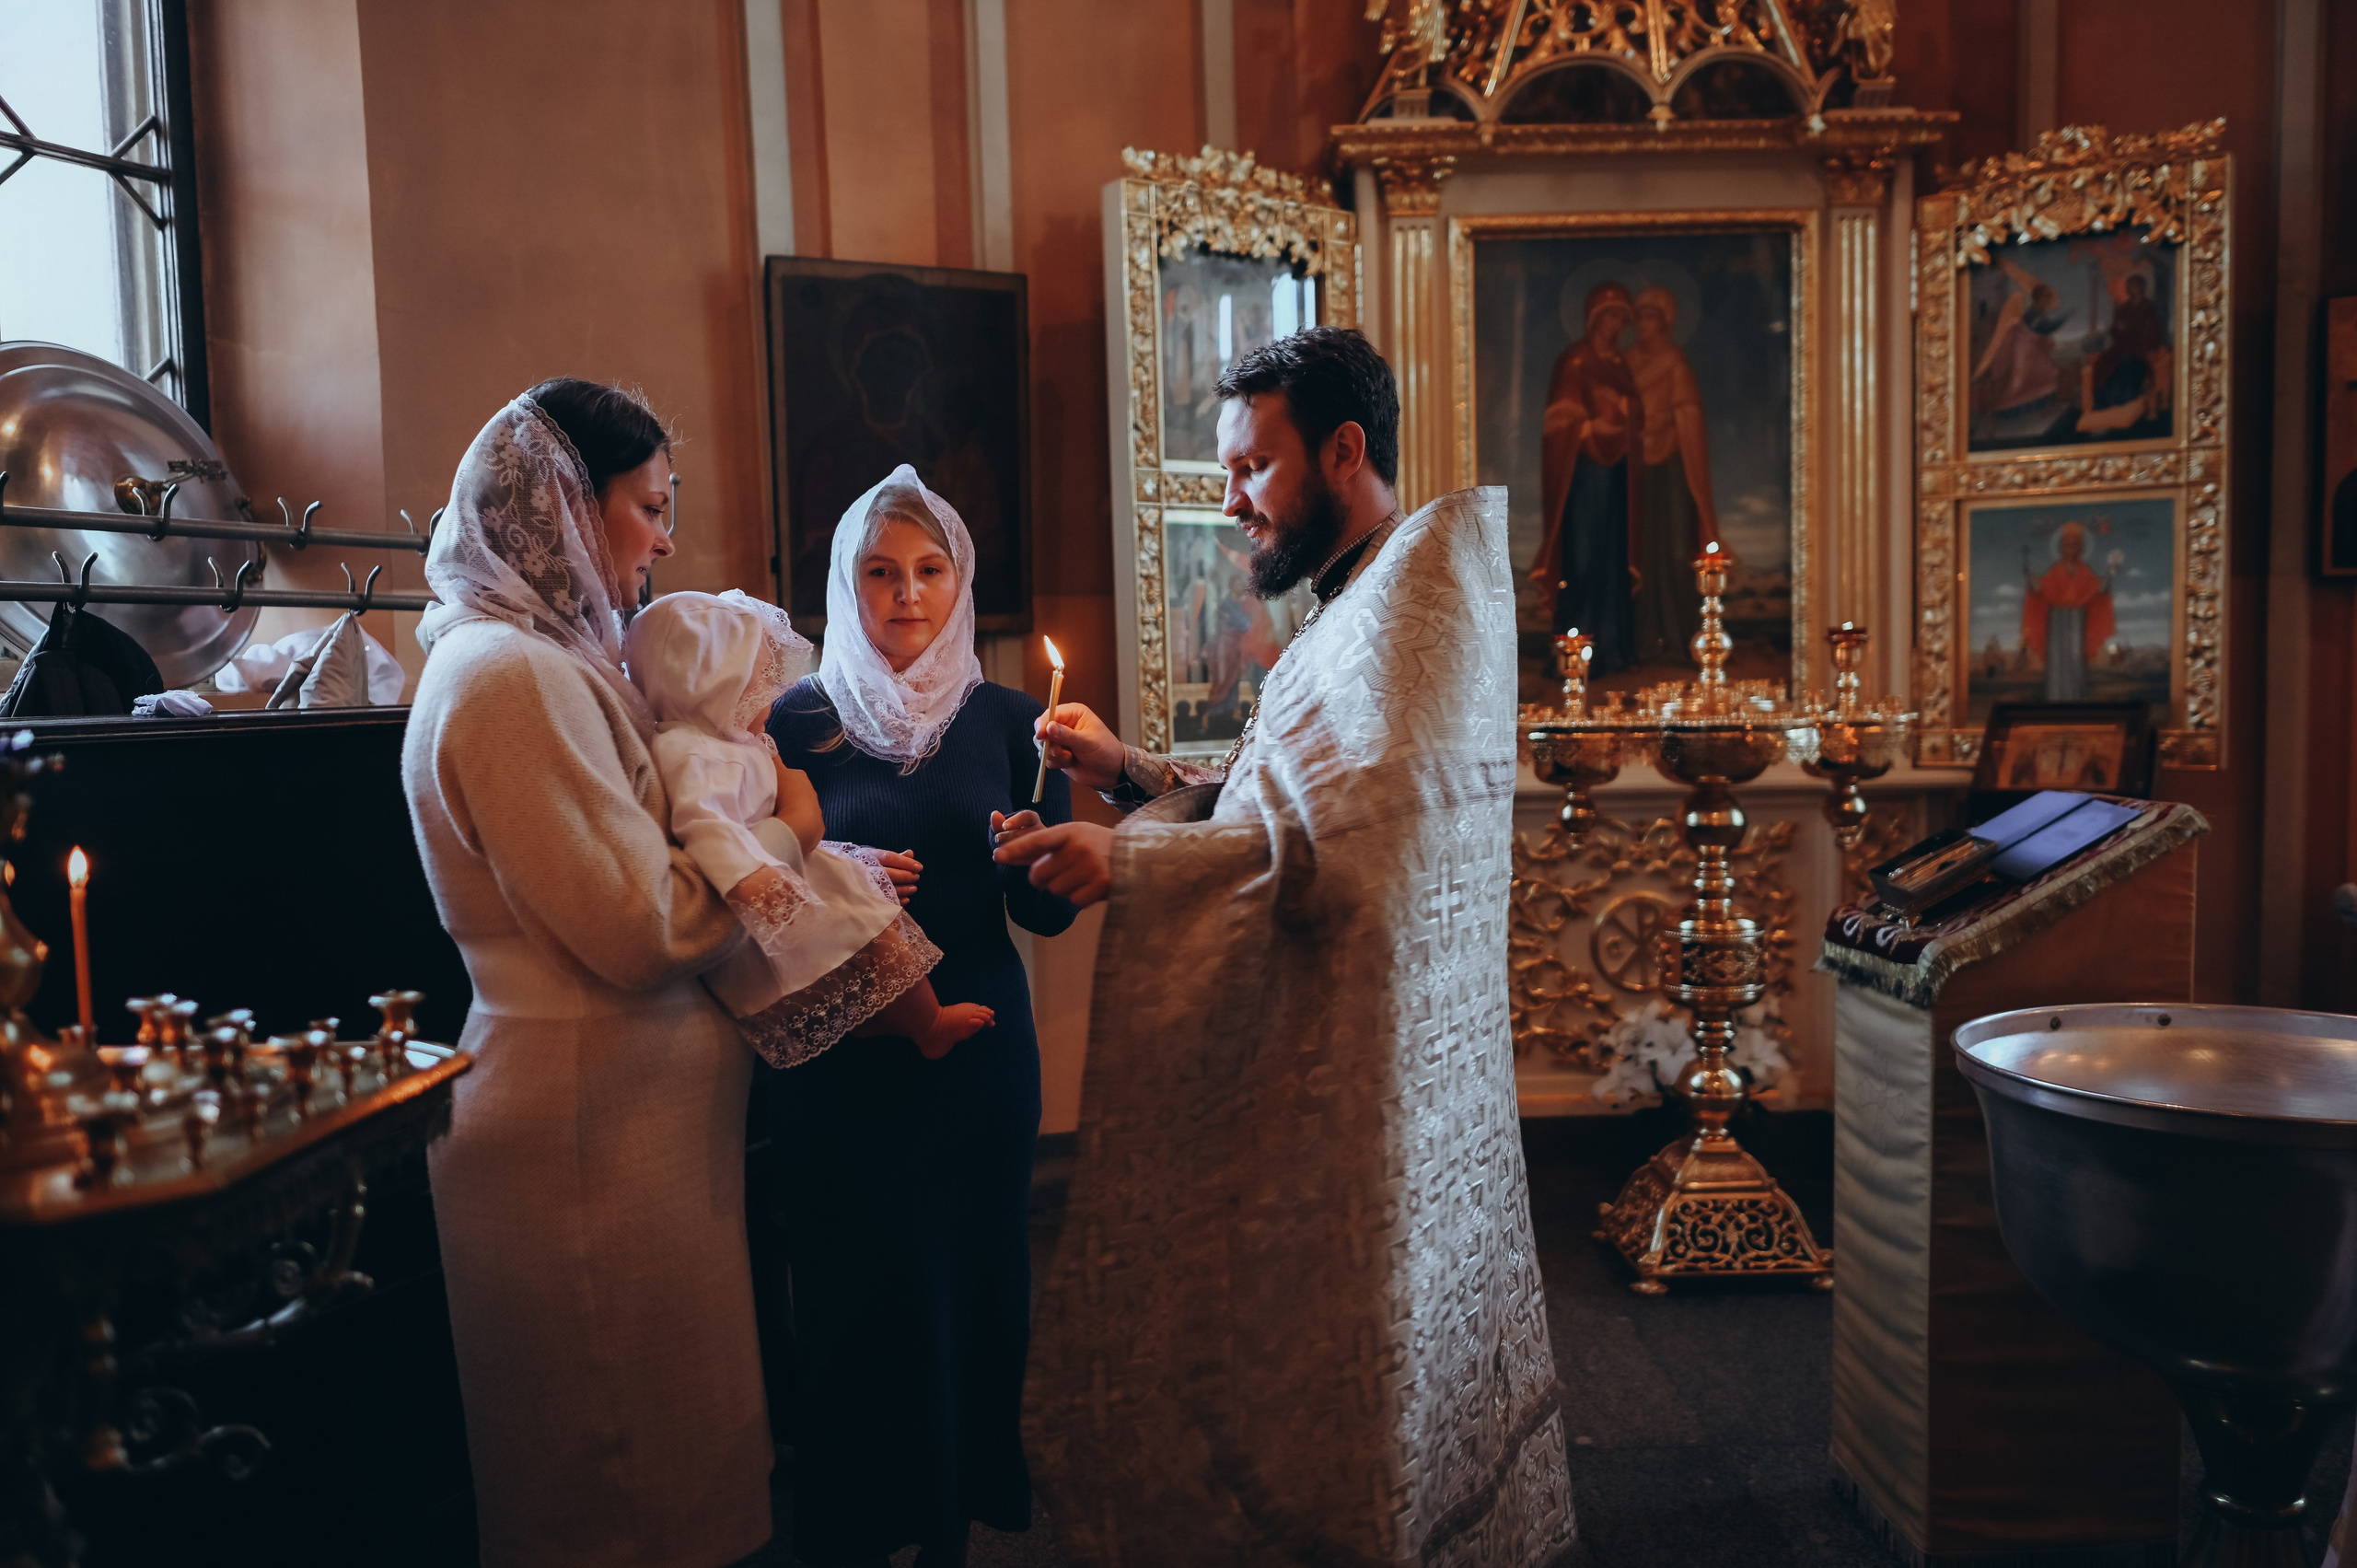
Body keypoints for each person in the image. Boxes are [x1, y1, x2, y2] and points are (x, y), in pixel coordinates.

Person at [996, 327, 1573, 1565]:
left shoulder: (1411, 602)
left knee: (1354, 1384)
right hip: (1370, 1064)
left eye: (1254, 466)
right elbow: (1298, 799)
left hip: (1365, 1083)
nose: (1231, 499)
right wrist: (1134, 773)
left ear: (1343, 449)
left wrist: (1131, 857)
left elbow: (1356, 854)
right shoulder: (1374, 592)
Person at [401, 380, 771, 1568]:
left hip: (622, 1127)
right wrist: (788, 838)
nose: (667, 540)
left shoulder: (546, 659)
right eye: (649, 507)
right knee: (614, 1487)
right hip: (577, 1137)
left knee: (658, 1467)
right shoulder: (509, 677)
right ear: (567, 504)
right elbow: (640, 923)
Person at [761, 464, 1078, 1567]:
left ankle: (948, 1523)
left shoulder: (1010, 719)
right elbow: (750, 883)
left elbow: (1043, 917)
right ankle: (850, 1529)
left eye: (929, 570)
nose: (907, 593)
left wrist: (1039, 844)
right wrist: (828, 862)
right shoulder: (793, 718)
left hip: (980, 1057)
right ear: (846, 586)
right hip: (843, 1063)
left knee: (968, 1289)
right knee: (852, 1296)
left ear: (961, 584)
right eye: (880, 572)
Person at [621, 588, 993, 1063]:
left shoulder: (732, 744)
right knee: (876, 934)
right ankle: (930, 1023)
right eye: (755, 688)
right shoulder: (693, 753)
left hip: (793, 865)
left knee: (872, 940)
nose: (769, 700)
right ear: (711, 687)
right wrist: (760, 885)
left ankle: (887, 1016)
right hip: (766, 888)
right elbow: (709, 828)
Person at [1530, 282, 1641, 673]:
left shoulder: (1619, 367)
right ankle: (1573, 652)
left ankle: (1610, 648)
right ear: (1594, 318)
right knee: (1583, 558)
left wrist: (1622, 420)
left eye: (1621, 318)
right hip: (1582, 478)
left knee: (1612, 558)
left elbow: (1634, 420)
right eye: (1610, 315)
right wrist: (1593, 426)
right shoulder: (1576, 362)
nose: (1615, 324)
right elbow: (1559, 424)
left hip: (1615, 479)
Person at [1624, 285, 1716, 666]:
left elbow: (1690, 414)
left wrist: (1666, 420)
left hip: (1673, 464)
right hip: (1634, 466)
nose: (1644, 324)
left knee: (1677, 550)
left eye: (1651, 317)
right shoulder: (1625, 362)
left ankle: (1684, 639)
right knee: (1640, 553)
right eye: (1640, 316)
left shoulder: (1675, 363)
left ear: (1665, 323)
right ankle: (1643, 641)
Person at [2023, 519, 2120, 701]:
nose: (2071, 548)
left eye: (2075, 545)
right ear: (2061, 547)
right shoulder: (2055, 571)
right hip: (2056, 624)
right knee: (2057, 662)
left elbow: (2099, 589)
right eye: (2067, 545)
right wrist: (2029, 575)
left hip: (2077, 621)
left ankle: (2076, 699)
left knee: (2075, 658)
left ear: (2081, 548)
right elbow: (2040, 588)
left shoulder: (2085, 572)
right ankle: (2055, 697)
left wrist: (2111, 571)